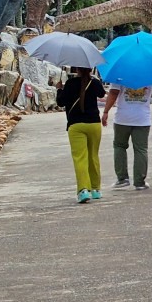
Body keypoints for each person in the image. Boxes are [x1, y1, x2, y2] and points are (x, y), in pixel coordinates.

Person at [101, 77, 152, 189]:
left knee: (119, 146)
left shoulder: (120, 72)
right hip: (142, 119)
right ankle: (139, 182)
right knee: (141, 149)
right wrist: (147, 94)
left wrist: (106, 111)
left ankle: (122, 179)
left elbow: (113, 93)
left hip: (122, 118)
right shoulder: (150, 73)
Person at [56, 66, 107, 203]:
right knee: (93, 156)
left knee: (80, 158)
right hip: (94, 125)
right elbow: (102, 94)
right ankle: (96, 189)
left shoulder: (70, 84)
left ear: (77, 69)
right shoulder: (94, 82)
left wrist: (59, 89)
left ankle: (84, 190)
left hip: (76, 125)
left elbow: (61, 102)